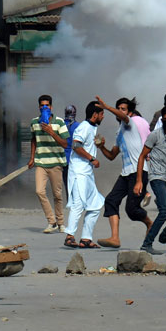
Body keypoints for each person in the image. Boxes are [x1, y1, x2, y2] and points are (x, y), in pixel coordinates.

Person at [94, 96, 153, 248]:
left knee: (132, 210)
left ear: (130, 112)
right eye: (118, 108)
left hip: (138, 172)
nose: (120, 112)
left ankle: (150, 224)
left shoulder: (131, 123)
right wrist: (101, 147)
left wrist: (106, 106)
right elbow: (112, 156)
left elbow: (124, 117)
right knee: (111, 200)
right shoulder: (119, 132)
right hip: (126, 173)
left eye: (123, 109)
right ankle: (115, 238)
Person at [134, 105, 166, 255]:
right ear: (162, 120)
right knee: (164, 210)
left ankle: (165, 236)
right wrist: (139, 180)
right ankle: (147, 244)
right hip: (157, 177)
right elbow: (142, 156)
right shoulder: (155, 135)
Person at [63, 101, 105, 249]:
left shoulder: (92, 128)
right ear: (95, 115)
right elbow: (76, 146)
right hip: (79, 172)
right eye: (101, 114)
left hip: (87, 173)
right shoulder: (84, 127)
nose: (103, 116)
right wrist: (92, 159)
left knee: (96, 204)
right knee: (78, 204)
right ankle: (69, 236)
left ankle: (86, 238)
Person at [27, 95, 69, 233]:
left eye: (47, 105)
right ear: (39, 107)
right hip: (41, 162)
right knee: (39, 191)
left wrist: (51, 132)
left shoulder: (59, 122)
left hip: (56, 163)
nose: (44, 108)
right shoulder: (34, 122)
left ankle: (61, 222)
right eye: (42, 105)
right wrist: (32, 158)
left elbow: (65, 143)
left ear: (51, 107)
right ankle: (51, 221)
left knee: (57, 195)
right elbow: (34, 140)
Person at [62, 105, 80, 199]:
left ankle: (70, 200)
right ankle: (76, 201)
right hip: (75, 158)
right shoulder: (78, 126)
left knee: (67, 182)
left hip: (63, 159)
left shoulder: (61, 125)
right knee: (76, 182)